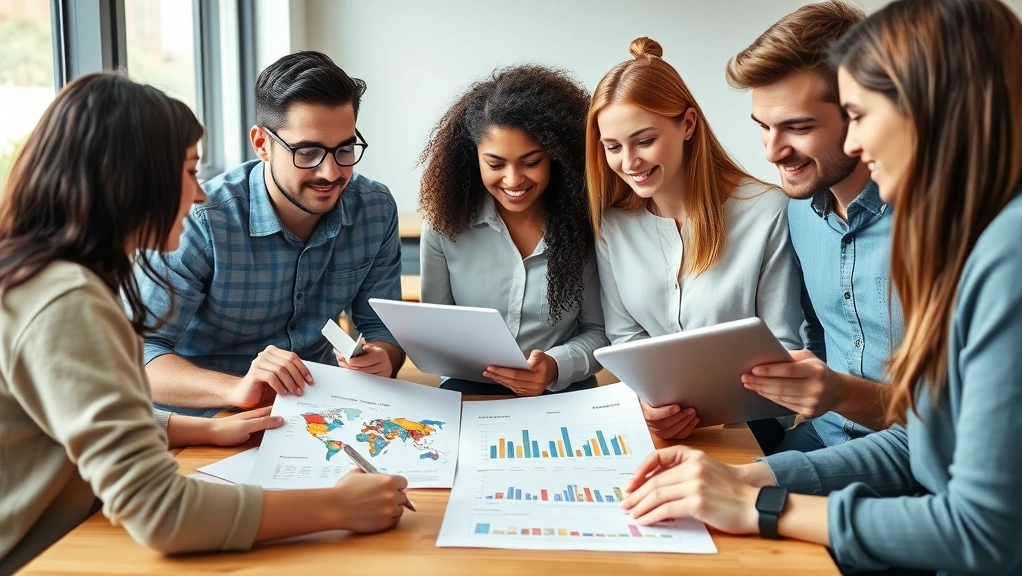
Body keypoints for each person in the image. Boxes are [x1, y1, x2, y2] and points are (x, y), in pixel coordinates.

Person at [623, 0, 1022, 573]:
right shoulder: (951, 232)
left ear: (926, 111)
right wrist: (745, 480)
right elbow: (925, 442)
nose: (858, 144)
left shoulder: (1001, 249)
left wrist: (758, 503)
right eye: (763, 126)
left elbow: (979, 526)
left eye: (860, 115)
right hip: (863, 469)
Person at [0, 73, 411, 575]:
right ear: (131, 181)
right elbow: (162, 512)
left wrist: (202, 431)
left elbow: (76, 414)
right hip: (42, 555)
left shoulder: (44, 280)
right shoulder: (67, 303)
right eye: (188, 172)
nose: (199, 195)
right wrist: (338, 507)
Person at [137, 51, 405, 417]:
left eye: (344, 150)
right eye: (308, 152)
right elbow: (138, 354)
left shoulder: (374, 208)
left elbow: (381, 329)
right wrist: (238, 389)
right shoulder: (203, 220)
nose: (330, 172)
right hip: (208, 416)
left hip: (316, 409)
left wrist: (383, 358)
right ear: (262, 144)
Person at [587, 37, 803, 439]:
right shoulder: (612, 224)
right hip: (655, 426)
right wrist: (649, 406)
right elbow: (624, 338)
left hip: (750, 425)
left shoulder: (766, 211)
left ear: (687, 125)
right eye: (613, 147)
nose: (629, 163)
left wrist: (710, 413)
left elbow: (782, 345)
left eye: (644, 141)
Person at [725, 0, 904, 455]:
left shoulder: (939, 222)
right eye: (762, 126)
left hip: (911, 459)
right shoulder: (798, 212)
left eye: (796, 127)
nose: (771, 152)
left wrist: (840, 393)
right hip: (821, 438)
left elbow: (957, 419)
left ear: (859, 112)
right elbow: (819, 338)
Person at [418, 65, 607, 396]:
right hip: (469, 390)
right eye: (495, 164)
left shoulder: (587, 226)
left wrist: (554, 365)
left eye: (531, 162)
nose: (513, 180)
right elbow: (435, 333)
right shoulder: (443, 228)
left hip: (560, 392)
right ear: (471, 159)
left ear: (557, 157)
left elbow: (599, 332)